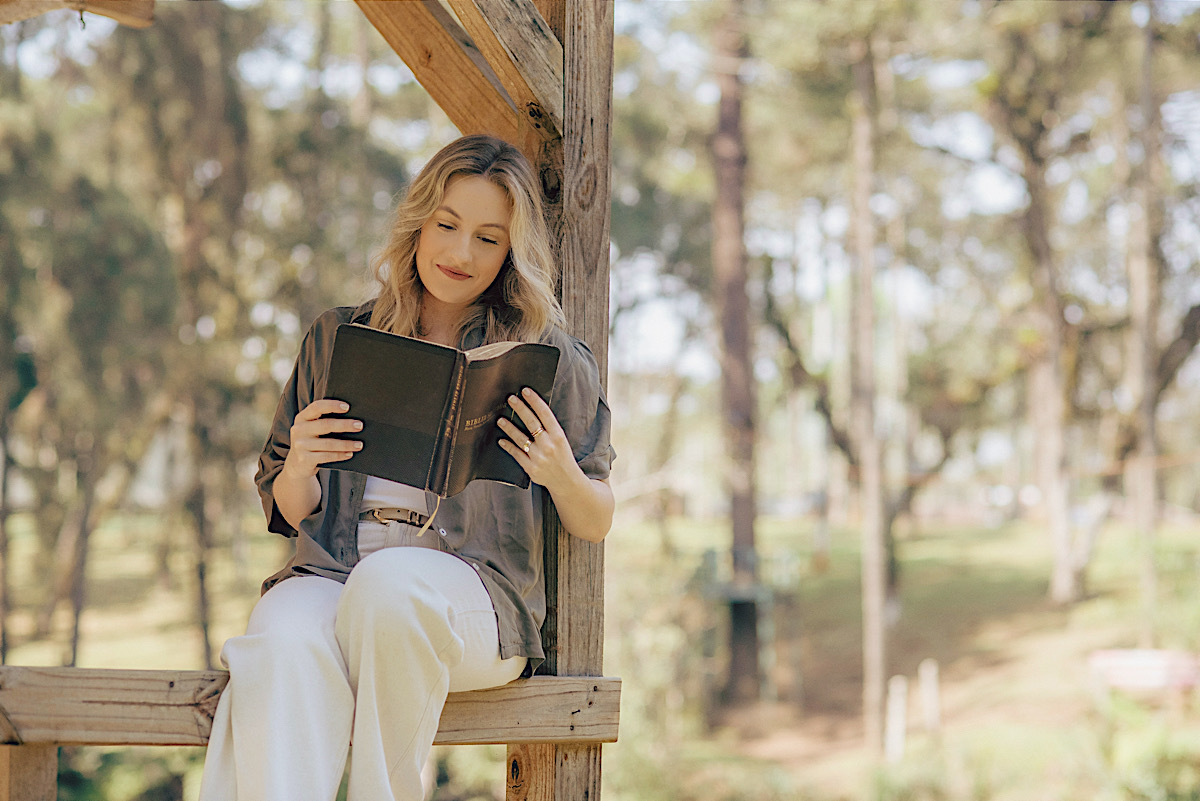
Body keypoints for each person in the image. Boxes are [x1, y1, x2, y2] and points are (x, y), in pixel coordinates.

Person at [198, 134, 616, 801]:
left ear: (512, 249)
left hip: (474, 601)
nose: (459, 253)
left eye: (487, 237)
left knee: (391, 587)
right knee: (276, 637)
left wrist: (562, 471)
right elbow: (288, 506)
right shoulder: (338, 335)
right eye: (446, 225)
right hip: (334, 571)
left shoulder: (548, 355)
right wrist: (301, 460)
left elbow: (596, 519)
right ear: (418, 221)